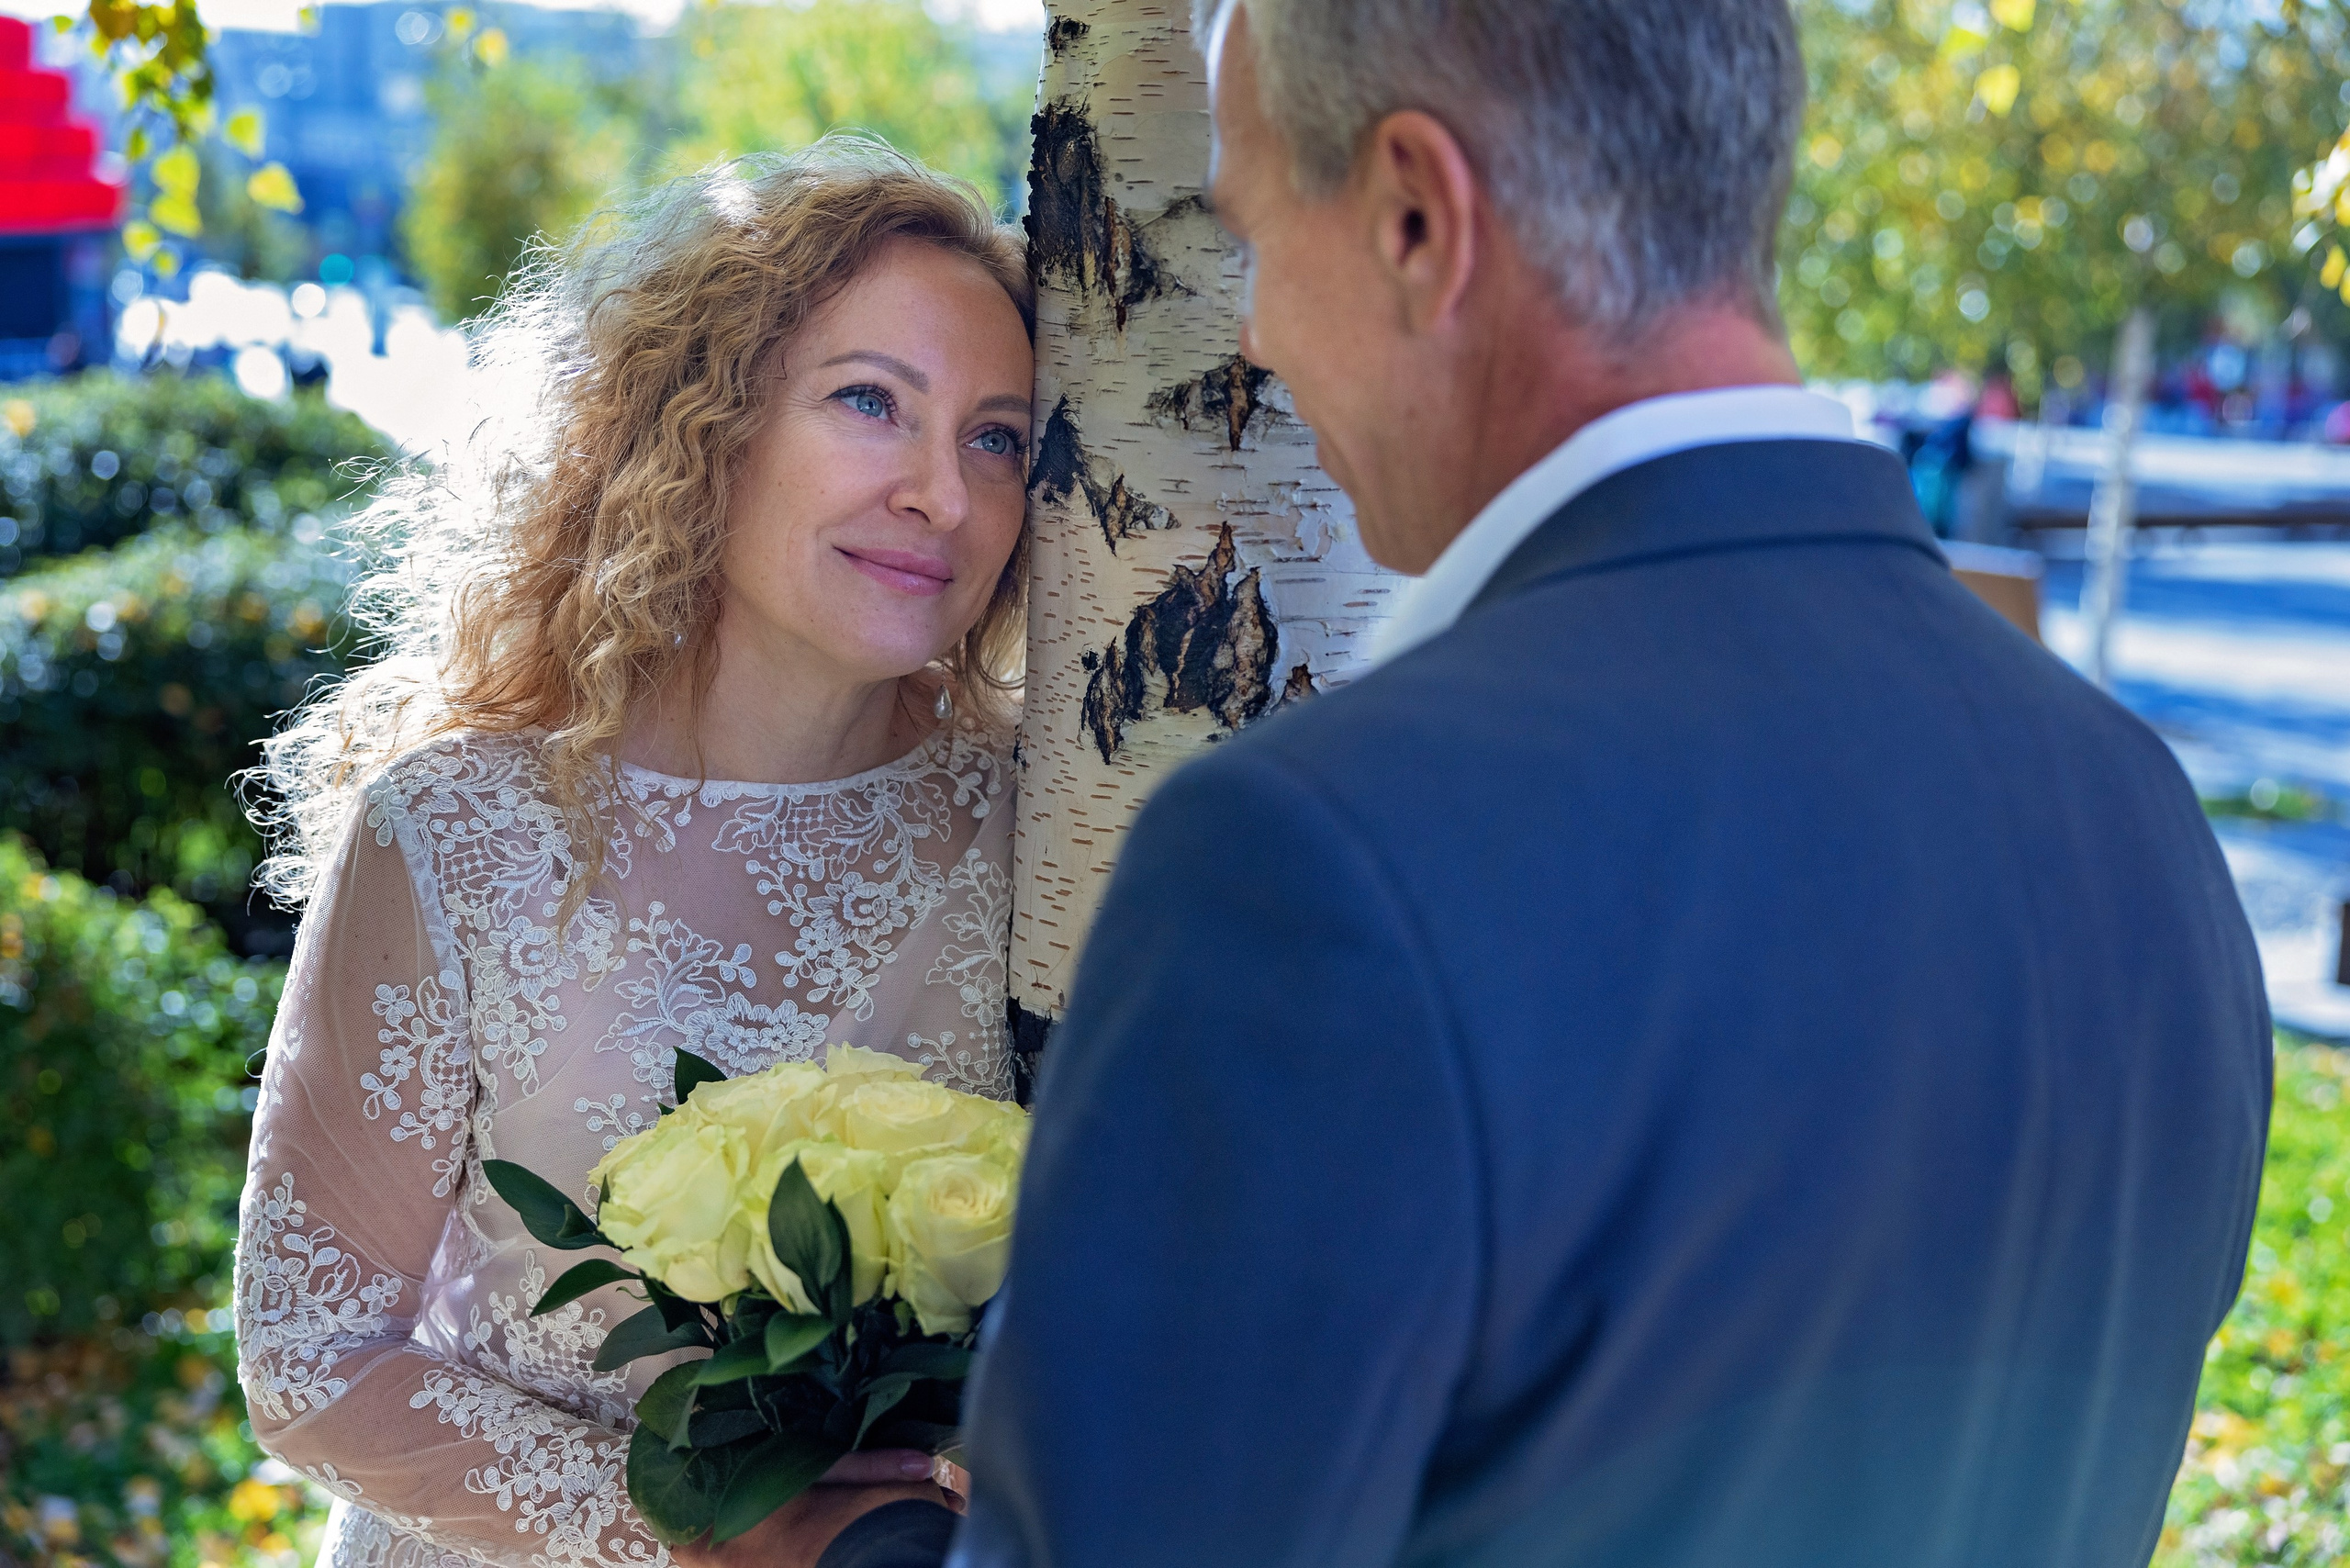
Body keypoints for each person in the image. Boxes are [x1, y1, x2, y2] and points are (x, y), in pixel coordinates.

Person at [814, 2, 2272, 1565]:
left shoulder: (1319, 858)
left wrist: (825, 1547)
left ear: (1416, 218)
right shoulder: (2135, 810)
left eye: (1254, 236)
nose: (1255, 338)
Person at [233, 142, 1035, 1567]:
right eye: (871, 402)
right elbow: (309, 1357)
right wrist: (697, 1538)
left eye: (998, 436)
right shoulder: (459, 834)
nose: (942, 493)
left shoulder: (1045, 828)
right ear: (708, 425)